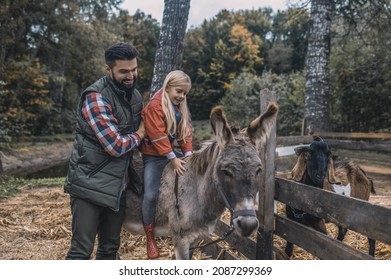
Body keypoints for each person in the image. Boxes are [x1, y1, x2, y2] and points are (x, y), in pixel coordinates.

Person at [64, 42, 145, 260]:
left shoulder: (135, 96)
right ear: (108, 70)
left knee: (109, 251)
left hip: (118, 186)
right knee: (81, 252)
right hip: (89, 184)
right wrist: (141, 134)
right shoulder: (96, 97)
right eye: (124, 71)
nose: (131, 76)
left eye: (134, 69)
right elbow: (116, 146)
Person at [139, 70, 193, 259]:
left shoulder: (179, 107)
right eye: (179, 91)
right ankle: (149, 235)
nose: (181, 96)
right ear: (168, 87)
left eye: (185, 93)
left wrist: (188, 154)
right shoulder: (155, 105)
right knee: (151, 194)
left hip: (169, 153)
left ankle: (186, 221)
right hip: (154, 156)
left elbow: (185, 132)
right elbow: (157, 135)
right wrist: (173, 158)